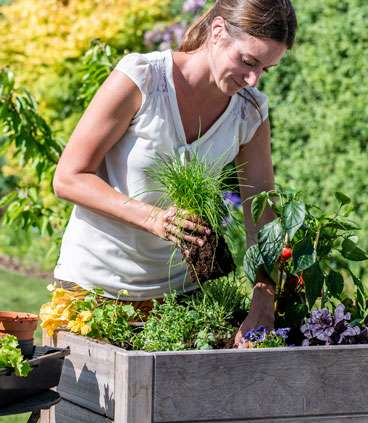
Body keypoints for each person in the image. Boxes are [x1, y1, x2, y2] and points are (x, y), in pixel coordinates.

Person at [49, 0, 297, 348]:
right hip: (93, 289)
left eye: (265, 70)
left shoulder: (249, 112)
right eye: (247, 61)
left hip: (181, 301)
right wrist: (153, 218)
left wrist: (264, 303)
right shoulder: (144, 80)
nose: (253, 79)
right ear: (217, 32)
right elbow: (69, 177)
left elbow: (263, 216)